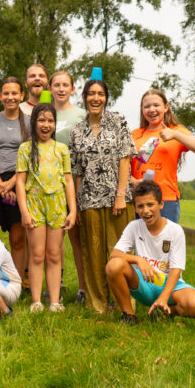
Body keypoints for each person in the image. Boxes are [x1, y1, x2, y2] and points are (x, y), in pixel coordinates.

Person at [68, 77, 136, 314]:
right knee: (93, 254)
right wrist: (77, 205)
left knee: (120, 253)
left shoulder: (118, 122)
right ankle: (98, 305)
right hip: (89, 201)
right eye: (91, 94)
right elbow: (77, 172)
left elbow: (125, 158)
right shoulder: (77, 131)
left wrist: (120, 194)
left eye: (100, 94)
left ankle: (124, 304)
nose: (95, 98)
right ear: (84, 97)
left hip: (118, 198)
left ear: (106, 98)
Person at [105, 180, 195, 324]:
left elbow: (176, 270)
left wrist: (164, 297)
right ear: (135, 208)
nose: (145, 210)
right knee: (113, 265)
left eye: (150, 204)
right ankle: (129, 316)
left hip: (170, 284)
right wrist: (139, 260)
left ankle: (163, 312)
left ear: (161, 204)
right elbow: (114, 254)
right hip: (143, 282)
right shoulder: (134, 226)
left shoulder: (175, 230)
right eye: (140, 206)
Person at [15, 103, 77, 313]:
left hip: (57, 204)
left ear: (55, 124)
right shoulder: (25, 149)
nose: (46, 124)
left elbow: (68, 181)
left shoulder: (61, 149)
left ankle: (54, 301)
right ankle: (36, 301)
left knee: (54, 254)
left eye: (50, 121)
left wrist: (72, 210)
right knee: (37, 254)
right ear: (34, 122)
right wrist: (24, 211)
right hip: (35, 204)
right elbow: (20, 182)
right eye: (41, 120)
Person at [130, 88, 195, 224]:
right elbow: (122, 165)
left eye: (156, 105)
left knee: (165, 238)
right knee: (139, 238)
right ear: (142, 110)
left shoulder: (176, 131)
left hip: (166, 200)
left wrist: (175, 135)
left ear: (166, 107)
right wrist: (133, 181)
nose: (152, 110)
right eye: (147, 106)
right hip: (138, 199)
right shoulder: (134, 134)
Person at [0, 77, 30, 291]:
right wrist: (0, 185)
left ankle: (15, 285)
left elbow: (31, 157)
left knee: (18, 238)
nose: (10, 97)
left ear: (22, 95)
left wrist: (12, 183)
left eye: (15, 93)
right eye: (6, 93)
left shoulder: (29, 122)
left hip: (19, 179)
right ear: (0, 96)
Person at [50, 70, 89, 304]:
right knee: (54, 238)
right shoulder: (45, 113)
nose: (61, 89)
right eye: (57, 85)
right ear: (50, 89)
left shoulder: (81, 115)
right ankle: (56, 285)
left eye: (65, 85)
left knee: (77, 237)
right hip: (50, 183)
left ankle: (83, 288)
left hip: (75, 181)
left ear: (73, 89)